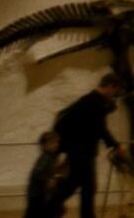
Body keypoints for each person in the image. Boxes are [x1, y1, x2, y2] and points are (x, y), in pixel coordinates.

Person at [49, 74, 122, 218]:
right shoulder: (95, 102)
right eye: (115, 91)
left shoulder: (89, 99)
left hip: (80, 151)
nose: (114, 95)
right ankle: (49, 208)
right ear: (110, 86)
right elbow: (101, 129)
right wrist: (116, 145)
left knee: (83, 186)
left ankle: (56, 208)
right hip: (82, 152)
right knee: (78, 185)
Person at [23, 131, 71, 218]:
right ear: (43, 146)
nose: (56, 145)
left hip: (41, 194)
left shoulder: (51, 157)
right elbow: (36, 173)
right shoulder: (45, 158)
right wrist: (47, 180)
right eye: (52, 143)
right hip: (37, 194)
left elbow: (52, 171)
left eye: (57, 142)